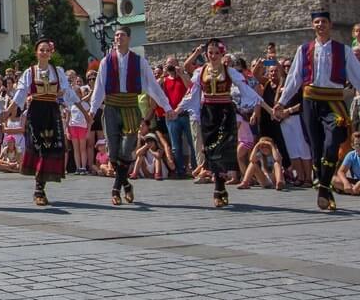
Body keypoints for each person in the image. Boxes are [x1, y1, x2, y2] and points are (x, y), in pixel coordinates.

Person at [272, 10, 360, 212]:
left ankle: (323, 185)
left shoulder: (343, 50)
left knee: (334, 139)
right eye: (316, 22)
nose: (320, 25)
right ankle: (324, 187)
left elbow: (359, 78)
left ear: (330, 25)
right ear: (312, 26)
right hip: (310, 99)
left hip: (333, 100)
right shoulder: (304, 50)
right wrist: (282, 102)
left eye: (323, 21)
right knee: (316, 146)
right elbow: (294, 78)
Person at [91, 26, 176, 206]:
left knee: (127, 146)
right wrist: (92, 110)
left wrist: (166, 105)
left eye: (122, 35)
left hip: (130, 106)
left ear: (129, 39)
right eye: (116, 35)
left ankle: (116, 188)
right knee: (113, 151)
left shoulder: (139, 61)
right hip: (112, 107)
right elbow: (99, 87)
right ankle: (126, 184)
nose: (118, 38)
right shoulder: (106, 61)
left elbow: (153, 86)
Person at [176, 39, 263, 207]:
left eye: (217, 52)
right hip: (208, 112)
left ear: (222, 53)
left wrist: (267, 107)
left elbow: (247, 90)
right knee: (211, 149)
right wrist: (177, 110)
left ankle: (219, 187)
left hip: (225, 112)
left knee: (223, 148)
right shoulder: (201, 72)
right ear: (207, 54)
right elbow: (191, 93)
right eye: (210, 52)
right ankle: (219, 185)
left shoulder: (230, 72)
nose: (213, 56)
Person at [8, 40, 80, 206]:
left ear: (51, 53)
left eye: (47, 50)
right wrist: (7, 112)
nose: (45, 53)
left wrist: (84, 111)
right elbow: (20, 94)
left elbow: (68, 92)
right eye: (42, 50)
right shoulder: (30, 72)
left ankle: (40, 188)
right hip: (36, 112)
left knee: (50, 149)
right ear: (36, 52)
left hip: (52, 112)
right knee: (39, 148)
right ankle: (39, 188)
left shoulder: (58, 71)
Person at [158, 58, 194, 178]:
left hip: (184, 114)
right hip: (171, 116)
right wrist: (163, 74)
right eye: (169, 65)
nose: (171, 67)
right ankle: (180, 170)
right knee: (175, 146)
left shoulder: (182, 76)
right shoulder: (164, 80)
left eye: (173, 65)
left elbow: (190, 86)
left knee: (191, 142)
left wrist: (181, 74)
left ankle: (194, 168)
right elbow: (156, 89)